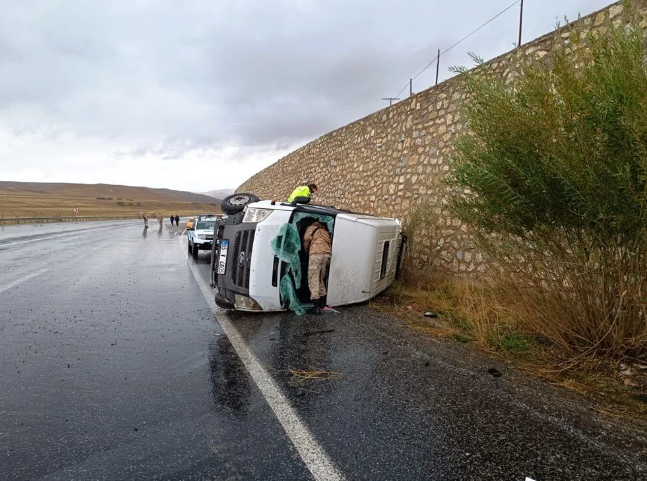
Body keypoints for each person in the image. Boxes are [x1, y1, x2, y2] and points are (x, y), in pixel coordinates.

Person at [302, 220, 332, 315]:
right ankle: (322, 304)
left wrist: (306, 251)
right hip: (327, 255)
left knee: (313, 278)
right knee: (320, 278)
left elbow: (306, 239)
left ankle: (316, 307)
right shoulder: (325, 232)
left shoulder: (311, 228)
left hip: (316, 254)